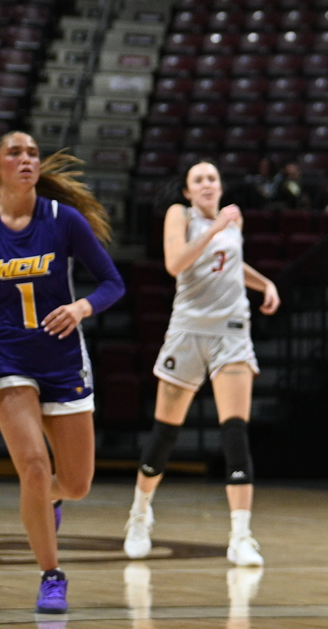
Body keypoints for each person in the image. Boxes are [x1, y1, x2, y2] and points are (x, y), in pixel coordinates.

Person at [124, 160, 281, 569]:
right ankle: (139, 515)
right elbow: (176, 263)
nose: (207, 184)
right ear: (188, 191)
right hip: (189, 331)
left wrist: (264, 283)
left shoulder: (233, 220)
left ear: (221, 186)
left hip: (231, 332)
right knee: (165, 433)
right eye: (199, 180)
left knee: (235, 431)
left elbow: (228, 264)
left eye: (212, 178)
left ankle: (240, 536)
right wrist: (214, 228)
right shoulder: (181, 216)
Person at [0, 132, 125, 615]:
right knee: (33, 465)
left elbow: (113, 282)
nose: (26, 159)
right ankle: (52, 577)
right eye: (15, 152)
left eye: (32, 153)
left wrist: (80, 307)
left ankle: (47, 500)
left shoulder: (63, 219)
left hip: (62, 359)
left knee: (75, 485)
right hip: (9, 359)